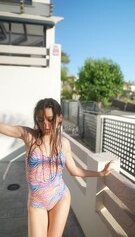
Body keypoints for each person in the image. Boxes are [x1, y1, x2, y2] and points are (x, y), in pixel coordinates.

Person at [0, 98, 113, 237]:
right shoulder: (29, 136)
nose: (45, 124)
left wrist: (101, 173)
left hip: (60, 197)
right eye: (40, 120)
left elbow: (74, 170)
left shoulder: (63, 143)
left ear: (59, 118)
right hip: (37, 203)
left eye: (50, 119)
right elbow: (4, 127)